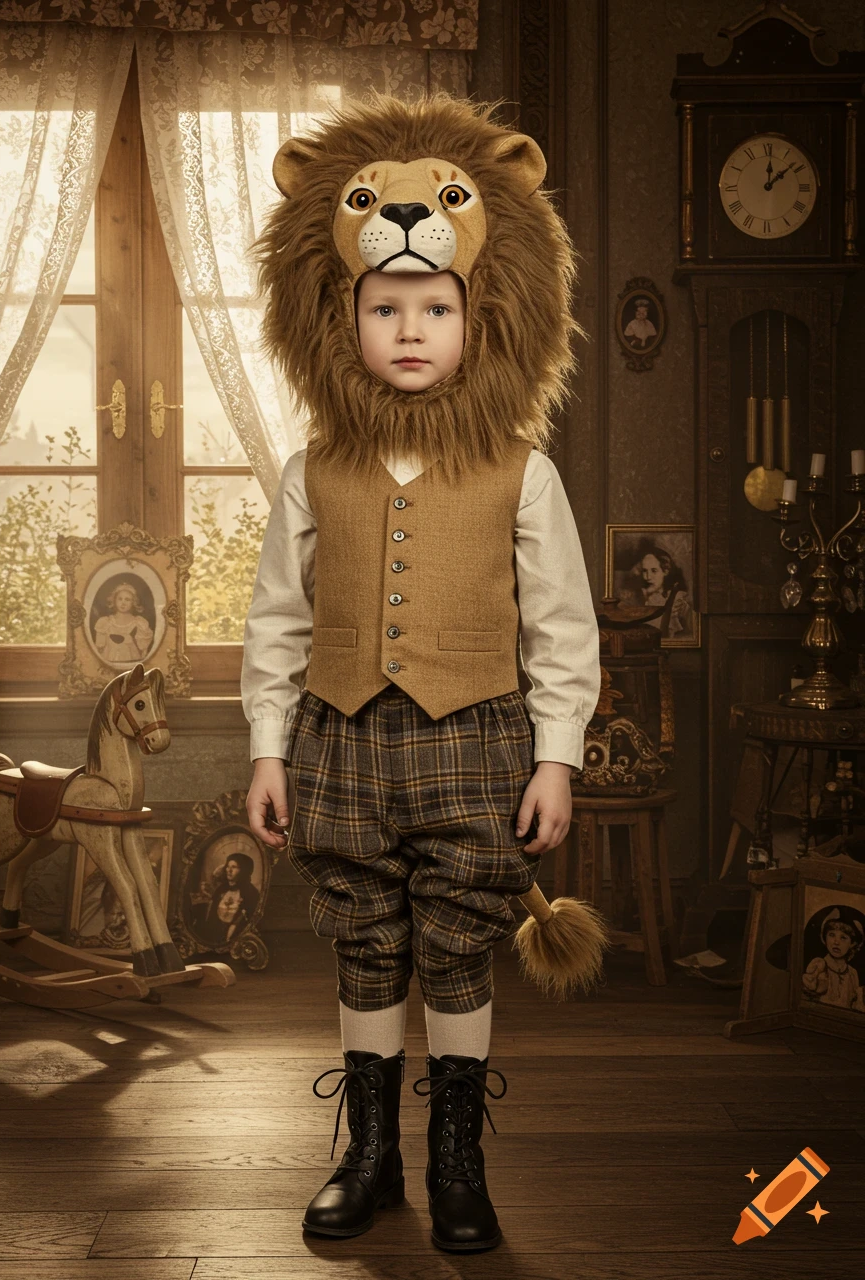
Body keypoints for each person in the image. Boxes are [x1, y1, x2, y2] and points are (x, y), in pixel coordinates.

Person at [242, 94, 601, 1254]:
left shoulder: (521, 471)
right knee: (362, 936)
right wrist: (264, 744)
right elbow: (277, 620)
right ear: (338, 317)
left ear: (478, 318)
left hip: (476, 743)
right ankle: (368, 1150)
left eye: (433, 306)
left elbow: (558, 626)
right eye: (385, 305)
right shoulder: (312, 471)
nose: (408, 326)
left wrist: (555, 756)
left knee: (454, 940)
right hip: (338, 741)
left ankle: (454, 1153)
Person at [196, 852, 260, 946]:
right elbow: (211, 916)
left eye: (234, 867)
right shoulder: (221, 889)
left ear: (244, 870)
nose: (228, 870)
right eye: (227, 866)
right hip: (214, 936)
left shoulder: (251, 893)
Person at [632, 546, 692, 639]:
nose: (648, 577)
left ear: (665, 571)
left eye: (654, 571)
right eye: (645, 571)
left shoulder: (677, 599)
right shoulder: (641, 598)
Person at [93, 581, 153, 665]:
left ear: (133, 602)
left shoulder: (139, 623)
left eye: (127, 599)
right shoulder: (105, 623)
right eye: (120, 599)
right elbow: (99, 650)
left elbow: (143, 651)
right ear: (114, 600)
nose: (123, 603)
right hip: (108, 666)